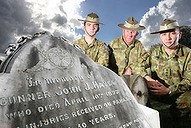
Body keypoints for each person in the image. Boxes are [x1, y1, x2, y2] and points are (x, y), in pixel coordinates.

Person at [134, 18, 191, 128]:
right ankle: (146, 119)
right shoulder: (153, 52)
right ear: (160, 36)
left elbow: (189, 80)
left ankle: (177, 118)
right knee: (136, 88)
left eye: (173, 33)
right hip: (154, 90)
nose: (168, 38)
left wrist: (169, 90)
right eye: (164, 34)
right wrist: (148, 79)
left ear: (180, 34)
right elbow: (138, 66)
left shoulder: (188, 54)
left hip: (177, 93)